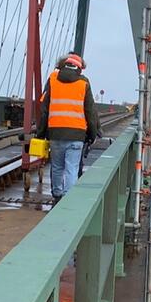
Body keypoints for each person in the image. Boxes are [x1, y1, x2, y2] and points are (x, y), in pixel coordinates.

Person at [36, 52, 99, 203]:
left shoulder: (53, 79)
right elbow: (90, 112)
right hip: (77, 135)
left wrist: (40, 133)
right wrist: (92, 134)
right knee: (71, 168)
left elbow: (44, 109)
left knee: (57, 166)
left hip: (55, 133)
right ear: (78, 68)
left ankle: (57, 195)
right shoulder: (83, 83)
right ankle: (68, 199)